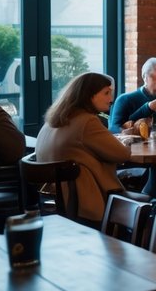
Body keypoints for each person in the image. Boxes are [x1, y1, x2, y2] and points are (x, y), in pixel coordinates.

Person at [35, 72, 132, 223]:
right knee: (148, 201)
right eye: (106, 93)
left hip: (51, 197)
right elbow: (122, 155)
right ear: (89, 95)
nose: (111, 99)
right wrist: (127, 141)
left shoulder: (53, 121)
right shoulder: (87, 121)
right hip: (81, 201)